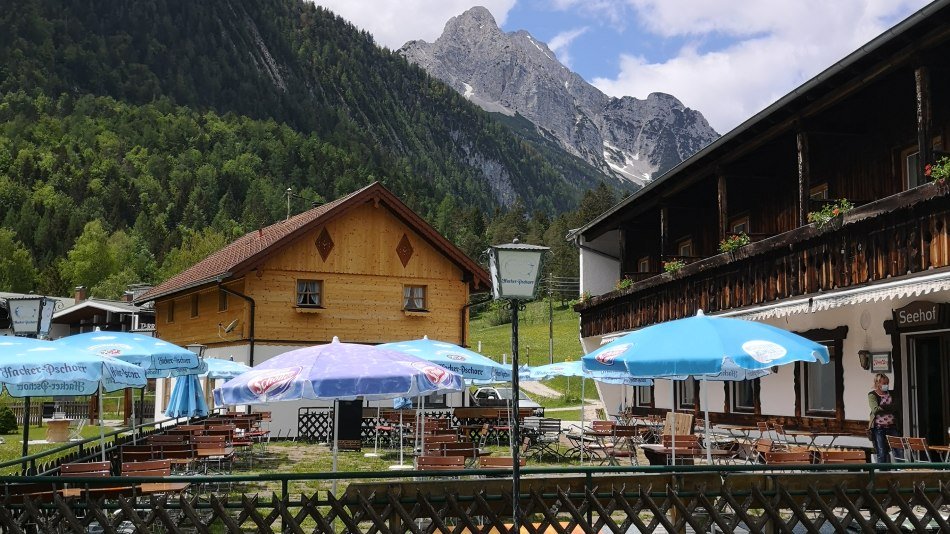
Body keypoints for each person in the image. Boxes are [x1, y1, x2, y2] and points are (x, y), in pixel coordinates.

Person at [868, 373, 901, 462]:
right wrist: (889, 407)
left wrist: (882, 407)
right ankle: (882, 474)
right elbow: (875, 410)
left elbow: (896, 406)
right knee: (881, 452)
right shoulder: (872, 395)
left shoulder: (892, 394)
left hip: (892, 426)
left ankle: (901, 471)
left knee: (898, 450)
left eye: (887, 383)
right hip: (879, 428)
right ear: (877, 383)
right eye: (884, 383)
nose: (886, 385)